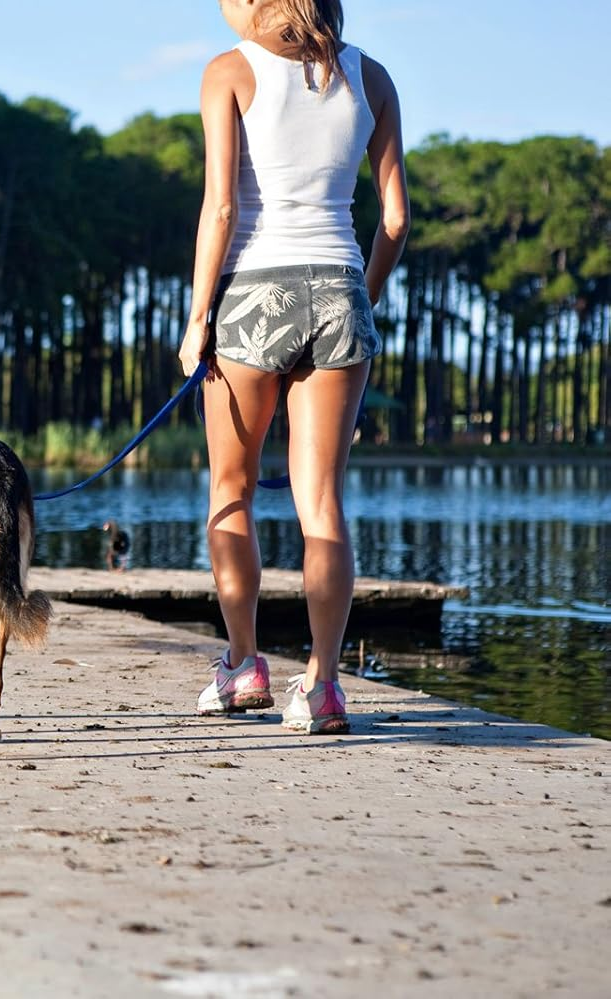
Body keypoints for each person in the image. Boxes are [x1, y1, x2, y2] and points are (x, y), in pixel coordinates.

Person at [178, 0, 409, 734]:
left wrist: (197, 318)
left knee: (231, 489)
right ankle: (324, 684)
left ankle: (244, 663)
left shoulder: (228, 72)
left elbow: (220, 210)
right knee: (323, 502)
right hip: (341, 286)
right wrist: (361, 298)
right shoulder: (372, 78)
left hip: (254, 292)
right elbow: (396, 220)